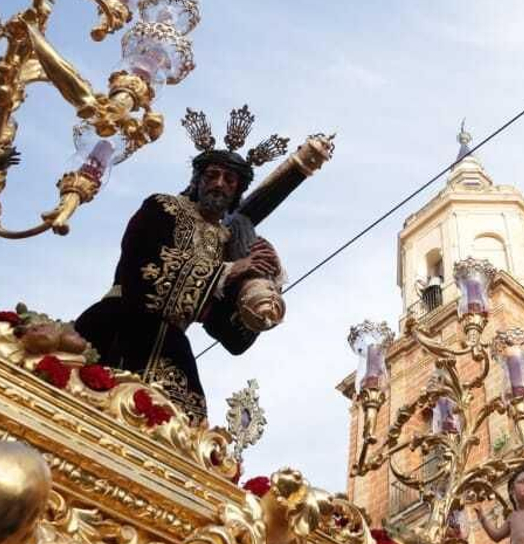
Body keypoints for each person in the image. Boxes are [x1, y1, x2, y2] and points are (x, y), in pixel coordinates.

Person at [73, 107, 332, 422]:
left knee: (181, 430)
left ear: (236, 191)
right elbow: (142, 272)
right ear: (197, 181)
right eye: (212, 176)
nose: (220, 184)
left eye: (230, 180)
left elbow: (232, 337)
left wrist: (264, 293)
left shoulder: (226, 243)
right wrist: (228, 271)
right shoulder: (162, 208)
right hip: (118, 326)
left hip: (170, 346)